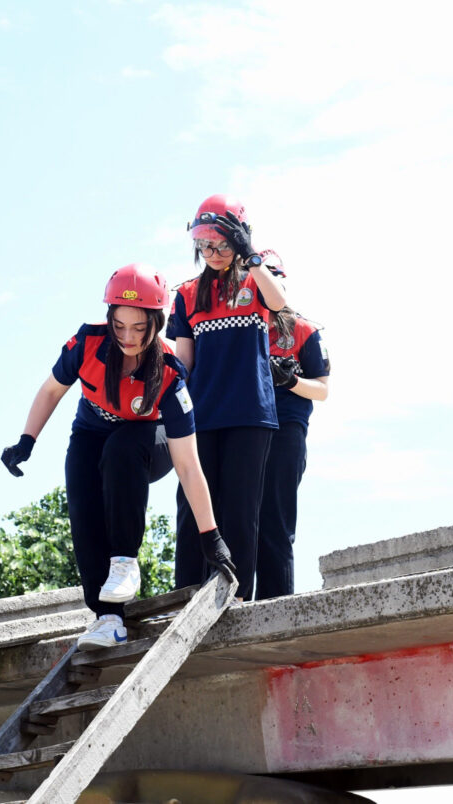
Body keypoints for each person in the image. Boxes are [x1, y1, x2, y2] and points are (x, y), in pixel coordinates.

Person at [0, 264, 235, 650]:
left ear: (156, 324)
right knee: (83, 502)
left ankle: (125, 562)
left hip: (147, 443)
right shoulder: (88, 342)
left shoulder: (172, 375)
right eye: (119, 325)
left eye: (139, 328)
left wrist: (211, 536)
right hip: (91, 432)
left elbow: (189, 466)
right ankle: (108, 618)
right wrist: (27, 441)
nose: (127, 337)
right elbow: (50, 391)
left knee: (123, 446)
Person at [168, 194, 288, 598]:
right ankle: (185, 595)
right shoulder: (185, 294)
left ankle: (233, 597)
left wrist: (250, 253)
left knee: (239, 512)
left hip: (251, 414)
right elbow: (184, 358)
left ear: (238, 240)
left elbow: (279, 301)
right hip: (201, 415)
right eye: (204, 245)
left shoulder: (258, 277)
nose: (212, 253)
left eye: (221, 244)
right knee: (191, 509)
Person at [256, 304, 330, 599]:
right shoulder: (240, 328)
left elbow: (323, 389)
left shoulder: (304, 330)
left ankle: (274, 604)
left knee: (274, 519)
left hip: (286, 428)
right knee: (238, 521)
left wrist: (291, 381)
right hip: (243, 428)